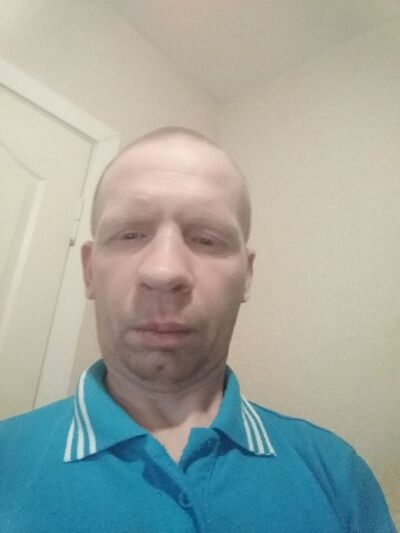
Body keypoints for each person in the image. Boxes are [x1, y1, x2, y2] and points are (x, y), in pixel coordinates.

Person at [0, 127, 395, 532]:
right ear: (88, 270)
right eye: (130, 233)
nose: (164, 271)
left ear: (246, 276)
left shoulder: (337, 472)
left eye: (206, 239)